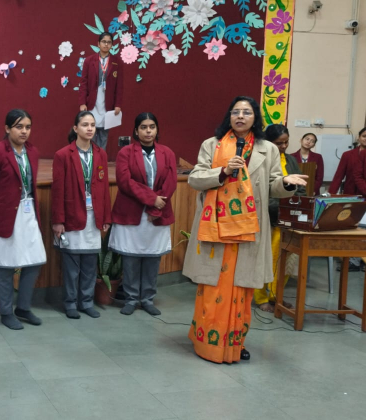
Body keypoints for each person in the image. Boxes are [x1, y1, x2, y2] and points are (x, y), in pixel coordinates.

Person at [183, 97, 307, 363]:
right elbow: (195, 178)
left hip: (249, 230)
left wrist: (286, 182)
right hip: (216, 229)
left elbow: (273, 185)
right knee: (214, 287)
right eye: (236, 112)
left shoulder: (267, 149)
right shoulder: (212, 145)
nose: (240, 116)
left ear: (255, 118)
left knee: (241, 290)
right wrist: (223, 171)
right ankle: (207, 342)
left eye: (246, 112)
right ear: (229, 116)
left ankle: (235, 343)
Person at [0, 109, 46, 330]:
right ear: (7, 128)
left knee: (35, 260)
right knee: (6, 266)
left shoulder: (33, 152)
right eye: (19, 127)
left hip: (28, 212)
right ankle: (6, 312)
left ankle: (23, 307)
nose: (24, 131)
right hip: (5, 216)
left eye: (28, 127)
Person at [110, 113, 177, 316]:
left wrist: (156, 208)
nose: (148, 131)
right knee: (130, 257)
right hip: (132, 211)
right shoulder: (126, 153)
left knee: (152, 258)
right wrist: (151, 199)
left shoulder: (167, 153)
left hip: (157, 213)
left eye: (152, 127)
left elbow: (171, 182)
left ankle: (147, 299)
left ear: (157, 130)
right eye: (143, 127)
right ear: (136, 130)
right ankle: (131, 299)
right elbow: (125, 182)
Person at [51, 111, 112, 319]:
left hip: (94, 217)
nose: (90, 128)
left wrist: (106, 217)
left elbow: (104, 188)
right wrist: (58, 221)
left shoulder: (101, 154)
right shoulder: (63, 155)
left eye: (92, 125)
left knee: (90, 265)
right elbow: (58, 190)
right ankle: (70, 303)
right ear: (76, 128)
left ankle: (86, 302)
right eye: (85, 124)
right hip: (71, 215)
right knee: (71, 266)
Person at [255, 124, 306, 313]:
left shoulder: (291, 160)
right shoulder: (261, 160)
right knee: (265, 259)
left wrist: (297, 204)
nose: (283, 146)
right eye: (279, 143)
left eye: (286, 142)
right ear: (268, 142)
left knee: (286, 261)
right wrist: (278, 206)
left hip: (288, 219)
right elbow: (262, 190)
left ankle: (277, 296)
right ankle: (261, 297)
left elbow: (301, 188)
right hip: (268, 218)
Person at [78, 32, 123, 150]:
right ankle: (90, 155)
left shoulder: (117, 62)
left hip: (107, 102)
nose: (106, 44)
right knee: (90, 131)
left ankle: (101, 157)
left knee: (104, 133)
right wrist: (82, 102)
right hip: (92, 101)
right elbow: (83, 83)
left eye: (109, 42)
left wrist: (118, 104)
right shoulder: (89, 60)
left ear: (112, 45)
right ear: (98, 44)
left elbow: (119, 85)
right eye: (104, 42)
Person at [328, 127, 366, 195]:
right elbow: (339, 176)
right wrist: (330, 194)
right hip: (350, 192)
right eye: (364, 136)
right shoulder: (347, 155)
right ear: (359, 137)